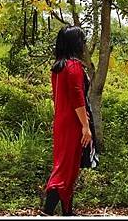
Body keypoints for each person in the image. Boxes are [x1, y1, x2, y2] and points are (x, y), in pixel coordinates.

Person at [42, 25, 92, 216]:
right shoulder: (73, 66)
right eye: (81, 40)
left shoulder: (58, 67)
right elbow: (77, 97)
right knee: (65, 169)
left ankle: (68, 212)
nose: (83, 44)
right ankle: (46, 212)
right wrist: (85, 126)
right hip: (73, 123)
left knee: (68, 168)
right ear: (75, 43)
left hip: (61, 122)